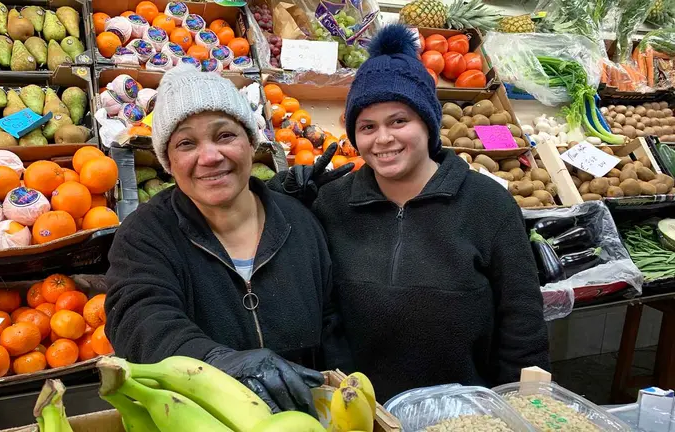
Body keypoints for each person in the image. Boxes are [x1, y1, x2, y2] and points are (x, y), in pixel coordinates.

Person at [270, 24, 550, 402]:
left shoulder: (488, 205)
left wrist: (517, 406)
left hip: (463, 415)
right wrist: (280, 203)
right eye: (367, 126)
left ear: (428, 124)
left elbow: (522, 324)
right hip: (360, 412)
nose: (383, 139)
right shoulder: (331, 204)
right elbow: (316, 308)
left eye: (399, 121)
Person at [104, 65, 350, 417]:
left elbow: (332, 326)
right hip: (201, 417)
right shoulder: (145, 233)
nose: (209, 157)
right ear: (168, 163)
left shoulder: (300, 224)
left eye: (224, 136)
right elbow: (138, 318)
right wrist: (214, 360)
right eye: (186, 143)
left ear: (251, 142)